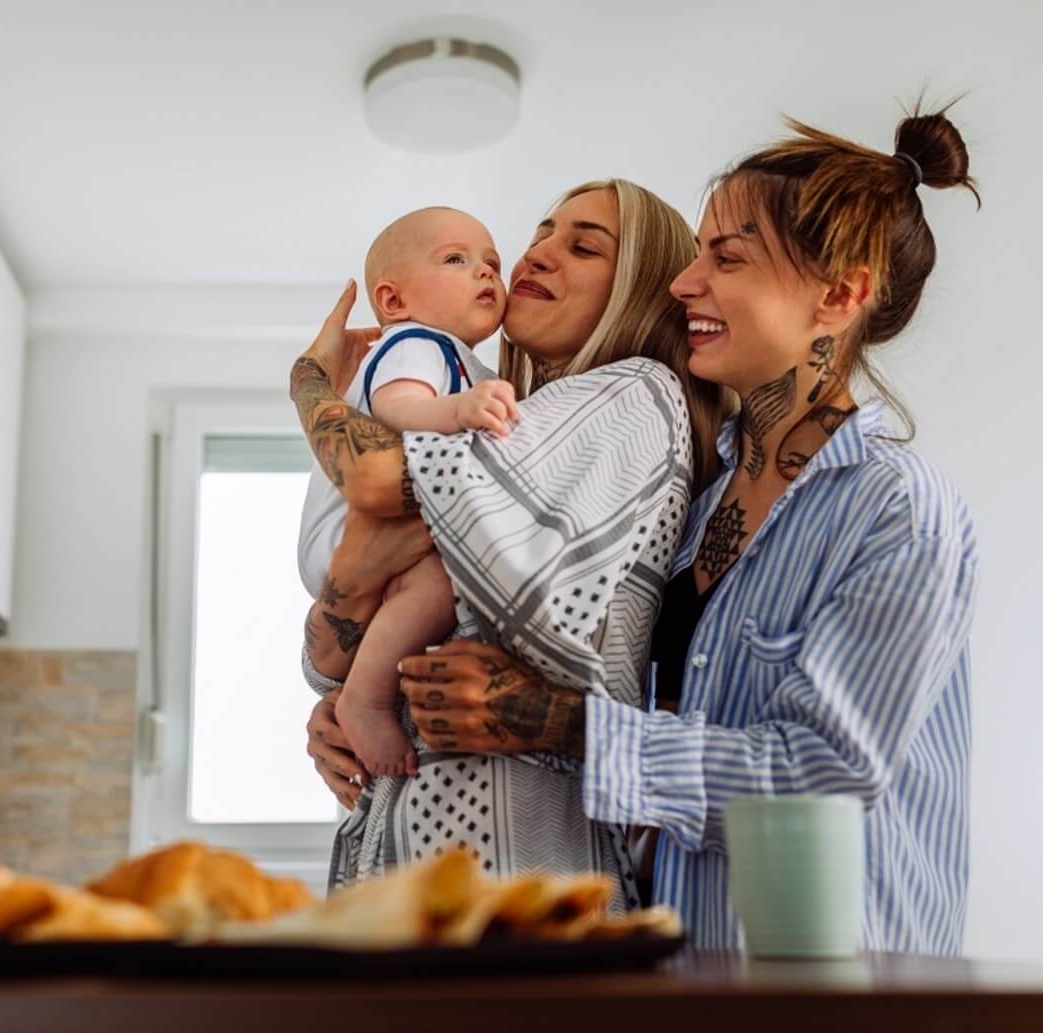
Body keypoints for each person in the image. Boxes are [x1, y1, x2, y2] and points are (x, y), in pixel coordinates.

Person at [394, 107, 981, 953]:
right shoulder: (697, 502)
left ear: (839, 295)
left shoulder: (895, 510)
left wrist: (560, 722)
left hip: (836, 996)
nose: (683, 281)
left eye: (726, 258)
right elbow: (657, 733)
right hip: (685, 977)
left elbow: (820, 778)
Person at [293, 180, 723, 897]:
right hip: (413, 868)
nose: (534, 255)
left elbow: (375, 482)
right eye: (542, 233)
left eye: (582, 245)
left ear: (643, 291)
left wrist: (309, 381)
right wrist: (344, 694)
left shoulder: (631, 393)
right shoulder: (508, 413)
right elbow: (330, 648)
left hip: (517, 881)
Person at [298, 206, 518, 777]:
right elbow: (401, 410)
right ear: (393, 302)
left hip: (367, 543)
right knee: (441, 579)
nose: (485, 274)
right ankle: (365, 701)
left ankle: (367, 690)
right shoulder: (416, 343)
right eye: (456, 259)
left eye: (493, 264)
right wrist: (460, 409)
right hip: (349, 532)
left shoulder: (459, 359)